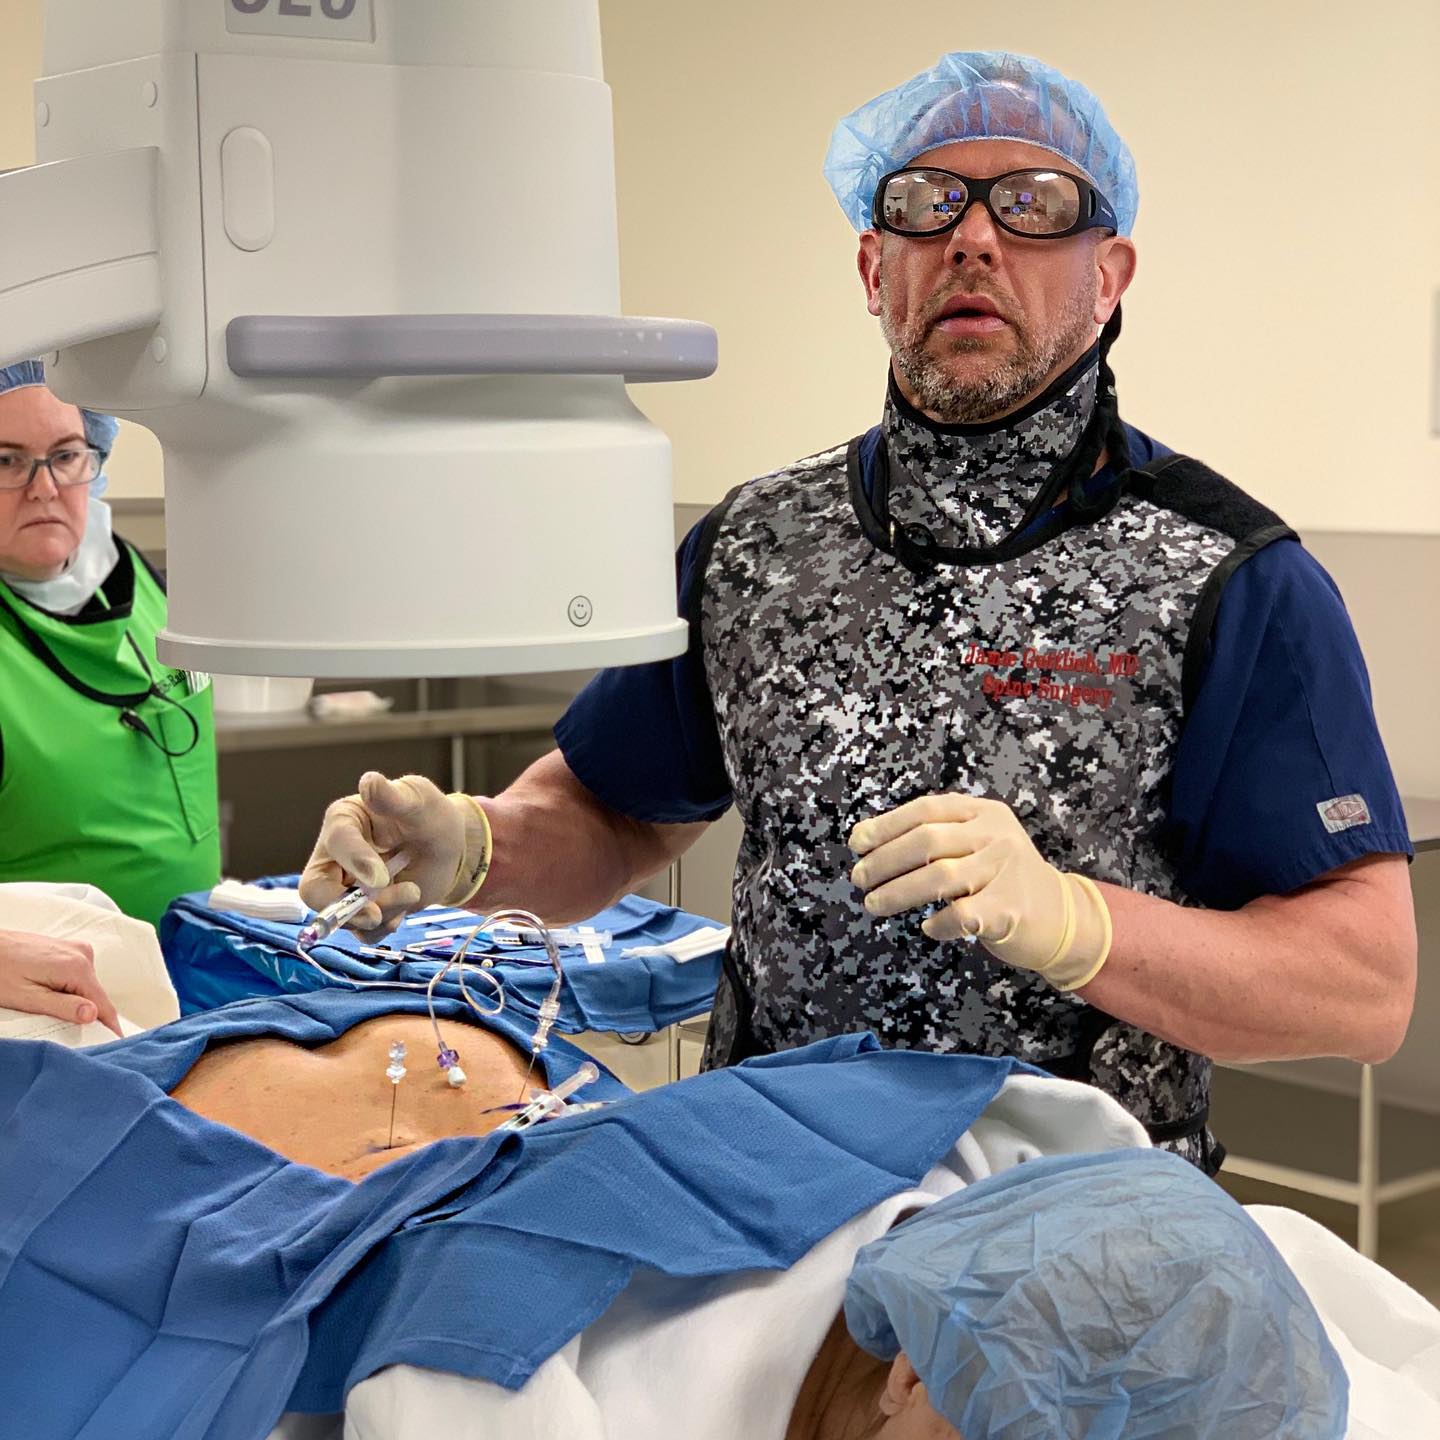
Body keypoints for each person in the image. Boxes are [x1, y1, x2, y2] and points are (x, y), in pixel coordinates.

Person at [299, 52, 1416, 1172]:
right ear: (876, 268)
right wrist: (473, 847)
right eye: (927, 202)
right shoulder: (756, 547)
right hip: (768, 1185)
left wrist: (1079, 925)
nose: (972, 239)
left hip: (1076, 1214)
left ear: (1109, 275)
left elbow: (1364, 984)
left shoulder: (1225, 577)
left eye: (1034, 205)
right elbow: (616, 813)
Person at [0, 985, 1362, 1440]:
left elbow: (1134, 1205)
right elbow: (437, 1375)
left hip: (526, 1116)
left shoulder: (1027, 1228)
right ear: (905, 1381)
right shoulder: (566, 1380)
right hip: (289, 1191)